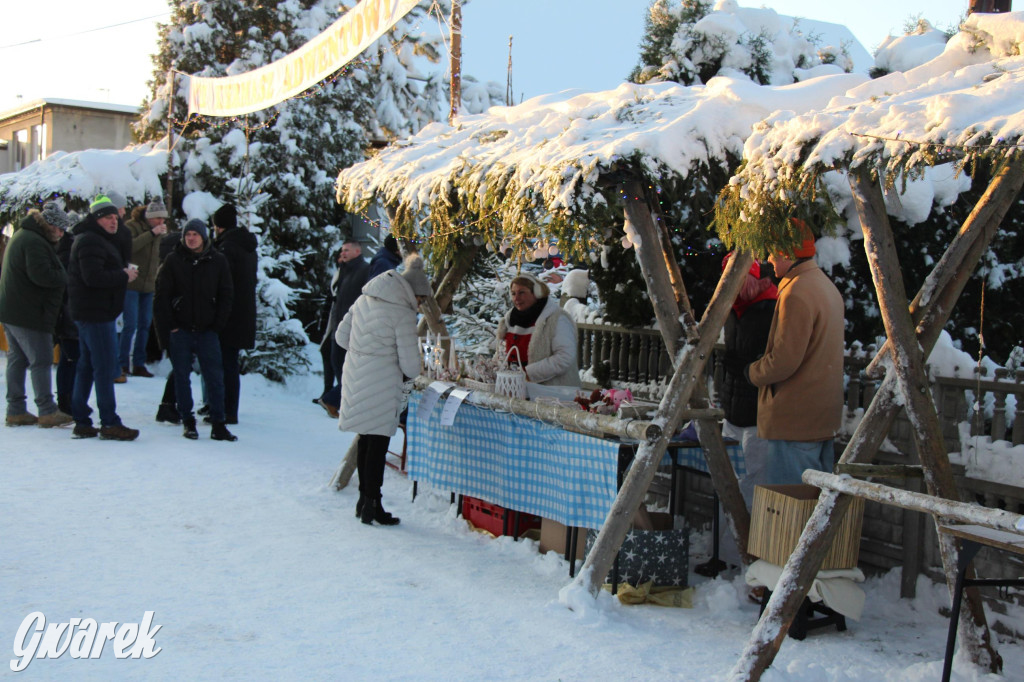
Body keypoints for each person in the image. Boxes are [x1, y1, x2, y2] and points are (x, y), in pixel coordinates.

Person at [745, 218, 845, 485]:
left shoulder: (797, 293)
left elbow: (785, 360)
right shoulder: (824, 286)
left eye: (773, 251)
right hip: (820, 418)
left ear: (788, 252)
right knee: (815, 505)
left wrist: (753, 372)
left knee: (790, 506)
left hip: (795, 420)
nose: (768, 258)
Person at [336, 254, 428, 526]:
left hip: (356, 379)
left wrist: (364, 352)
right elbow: (411, 367)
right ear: (413, 293)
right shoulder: (402, 312)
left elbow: (342, 337)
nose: (420, 305)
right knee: (377, 446)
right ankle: (373, 505)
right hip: (383, 384)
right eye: (421, 299)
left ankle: (364, 501)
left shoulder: (366, 298)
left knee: (366, 439)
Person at [155, 218, 236, 441]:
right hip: (180, 330)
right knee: (181, 376)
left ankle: (219, 423)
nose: (191, 239)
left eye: (195, 235)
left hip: (208, 330)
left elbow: (226, 294)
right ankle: (188, 421)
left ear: (204, 237)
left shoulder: (218, 261)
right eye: (188, 235)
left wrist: (217, 324)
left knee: (214, 377)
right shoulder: (173, 260)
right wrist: (170, 325)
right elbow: (162, 296)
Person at [67, 195, 140, 440]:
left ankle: (82, 419)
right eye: (108, 217)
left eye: (115, 217)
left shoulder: (97, 239)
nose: (114, 221)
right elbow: (93, 278)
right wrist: (123, 275)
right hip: (95, 313)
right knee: (105, 367)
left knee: (88, 365)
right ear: (97, 219)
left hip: (95, 312)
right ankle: (108, 422)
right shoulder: (91, 242)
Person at [0, 203, 74, 428]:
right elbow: (41, 275)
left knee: (17, 359)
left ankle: (16, 410)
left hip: (12, 310)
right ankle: (47, 411)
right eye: (60, 229)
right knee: (41, 360)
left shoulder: (25, 234)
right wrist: (65, 275)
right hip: (29, 312)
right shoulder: (34, 241)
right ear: (50, 225)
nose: (61, 235)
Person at [720, 254, 778, 507]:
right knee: (728, 484)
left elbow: (776, 360)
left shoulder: (772, 308)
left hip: (759, 414)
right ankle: (728, 545)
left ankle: (752, 545)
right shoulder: (731, 308)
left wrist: (747, 367)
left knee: (754, 484)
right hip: (732, 409)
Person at [212, 204, 257, 425]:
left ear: (218, 227)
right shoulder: (246, 246)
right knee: (229, 362)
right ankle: (224, 406)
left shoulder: (227, 248)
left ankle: (227, 409)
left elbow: (221, 282)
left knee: (225, 364)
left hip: (228, 315)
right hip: (243, 314)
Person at [493, 273, 579, 387]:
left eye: (522, 292)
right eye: (513, 293)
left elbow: (564, 357)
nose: (516, 298)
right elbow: (501, 353)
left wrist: (527, 374)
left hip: (553, 394)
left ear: (536, 293)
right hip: (514, 390)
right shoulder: (510, 319)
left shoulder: (557, 319)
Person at [318, 239, 369, 417]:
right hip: (338, 327)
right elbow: (334, 297)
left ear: (357, 251)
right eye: (342, 251)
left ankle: (333, 400)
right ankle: (337, 401)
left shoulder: (364, 270)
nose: (343, 254)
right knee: (338, 365)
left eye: (346, 250)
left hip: (352, 329)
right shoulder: (343, 271)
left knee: (348, 369)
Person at [119, 197, 168, 377]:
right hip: (132, 284)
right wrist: (152, 234)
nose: (161, 222)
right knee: (130, 324)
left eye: (163, 219)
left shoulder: (157, 232)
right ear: (150, 217)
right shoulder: (132, 227)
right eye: (158, 218)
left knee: (145, 325)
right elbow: (129, 248)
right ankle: (122, 362)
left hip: (148, 286)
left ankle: (139, 363)